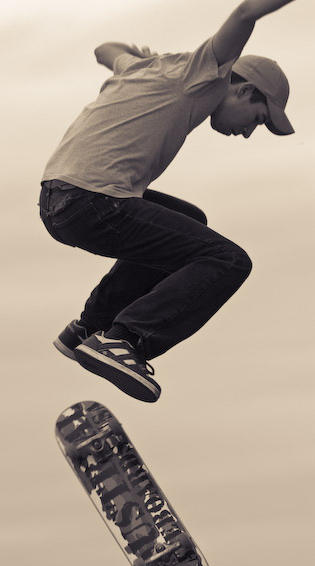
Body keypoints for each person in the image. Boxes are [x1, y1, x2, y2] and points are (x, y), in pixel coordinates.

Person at [39, 0, 296, 403]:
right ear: (244, 89)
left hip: (59, 199)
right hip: (95, 201)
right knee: (228, 260)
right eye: (257, 120)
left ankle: (88, 330)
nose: (248, 133)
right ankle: (125, 340)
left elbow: (103, 49)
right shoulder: (208, 74)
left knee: (189, 220)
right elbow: (247, 12)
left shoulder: (150, 69)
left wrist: (137, 58)